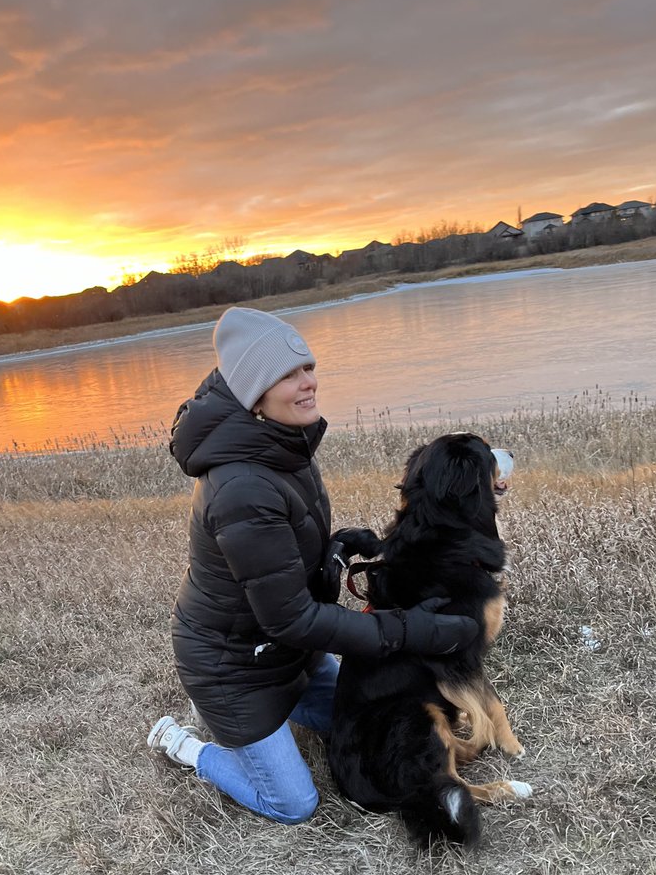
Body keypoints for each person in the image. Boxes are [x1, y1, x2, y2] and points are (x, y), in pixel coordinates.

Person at [148, 306, 478, 824]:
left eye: (308, 367)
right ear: (254, 392)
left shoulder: (282, 439)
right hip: (233, 670)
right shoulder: (240, 488)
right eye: (288, 374)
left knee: (375, 722)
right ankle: (190, 745)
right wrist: (414, 630)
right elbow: (292, 617)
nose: (309, 384)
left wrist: (337, 547)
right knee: (293, 803)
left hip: (289, 655)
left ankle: (267, 720)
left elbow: (282, 562)